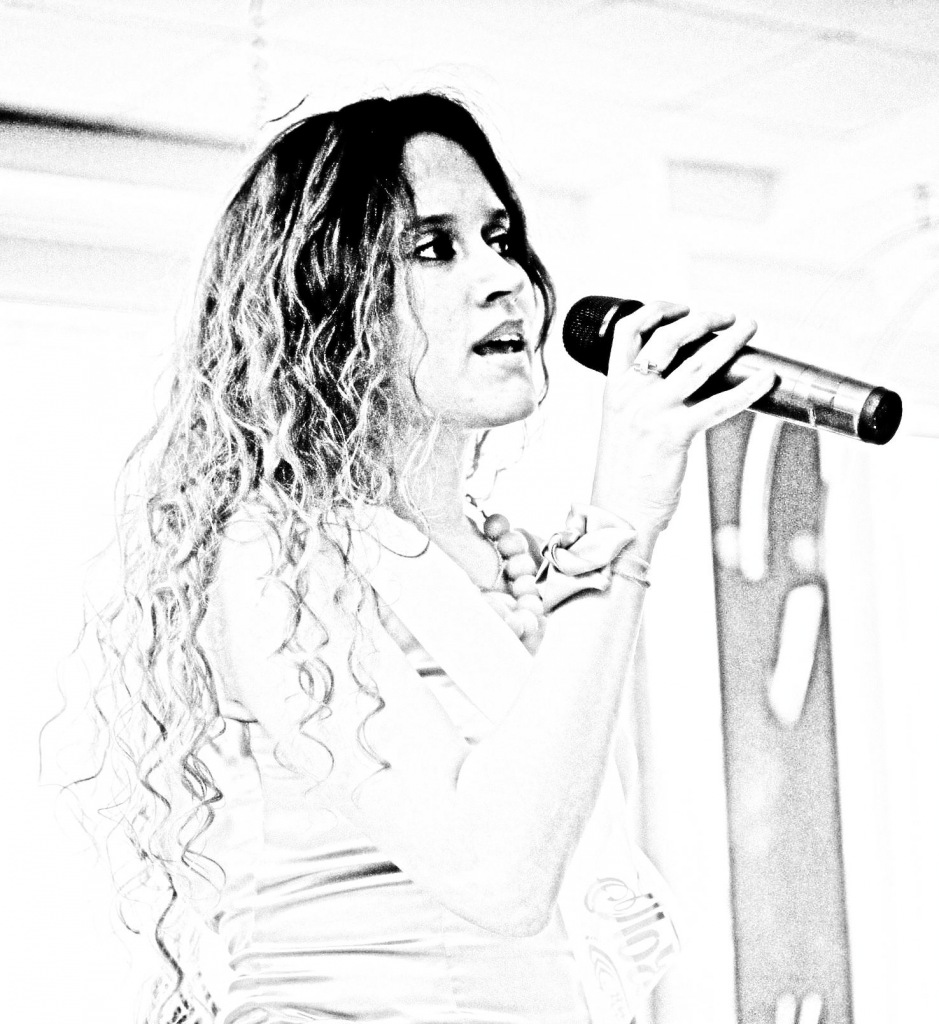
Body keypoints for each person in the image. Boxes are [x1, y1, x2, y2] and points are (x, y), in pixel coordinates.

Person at [74, 91, 775, 1024]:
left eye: (500, 237)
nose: (504, 278)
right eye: (433, 248)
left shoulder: (515, 562)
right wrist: (626, 520)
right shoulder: (278, 551)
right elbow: (496, 877)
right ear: (329, 305)